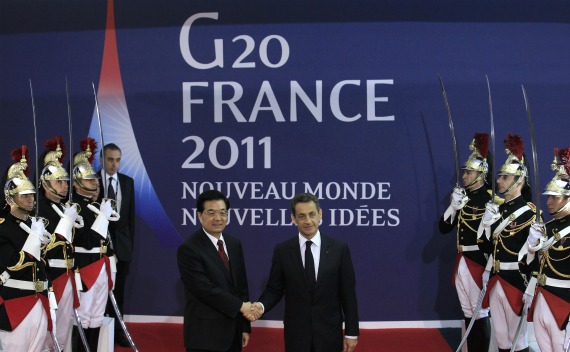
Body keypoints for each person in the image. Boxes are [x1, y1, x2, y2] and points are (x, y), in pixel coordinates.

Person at [253, 192, 359, 352]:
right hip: (296, 335)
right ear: (293, 219)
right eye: (301, 216)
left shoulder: (339, 249)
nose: (308, 221)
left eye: (312, 214)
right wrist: (260, 306)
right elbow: (274, 289)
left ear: (320, 214)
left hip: (329, 334)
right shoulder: (283, 250)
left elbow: (348, 294)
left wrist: (351, 333)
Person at [479, 133, 537, 352]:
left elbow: (535, 259)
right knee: (502, 340)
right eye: (500, 176)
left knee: (518, 342)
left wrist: (531, 286)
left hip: (517, 282)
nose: (498, 180)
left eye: (504, 177)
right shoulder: (498, 209)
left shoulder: (530, 214)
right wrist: (485, 224)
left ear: (519, 181)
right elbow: (486, 247)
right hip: (496, 279)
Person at [177, 190, 253, 352]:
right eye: (211, 213)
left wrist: (244, 326)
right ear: (199, 215)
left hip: (233, 333)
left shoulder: (234, 244)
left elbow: (241, 287)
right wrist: (241, 306)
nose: (218, 218)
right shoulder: (189, 249)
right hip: (204, 337)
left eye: (222, 213)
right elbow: (204, 289)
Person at [439, 133, 494, 351]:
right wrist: (453, 206)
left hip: (478, 260)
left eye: (469, 172)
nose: (464, 176)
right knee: (467, 311)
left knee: (479, 312)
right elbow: (443, 228)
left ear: (481, 174)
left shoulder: (489, 199)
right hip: (462, 259)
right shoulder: (463, 197)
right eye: (464, 172)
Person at [0, 146, 52, 352]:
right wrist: (34, 239)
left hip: (39, 299)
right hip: (15, 303)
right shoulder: (3, 228)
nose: (31, 200)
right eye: (25, 196)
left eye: (32, 195)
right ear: (10, 198)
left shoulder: (34, 224)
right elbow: (13, 264)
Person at [72, 138, 117, 352]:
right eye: (90, 181)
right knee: (82, 316)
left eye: (95, 180)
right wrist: (102, 217)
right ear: (77, 182)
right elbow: (88, 241)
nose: (95, 183)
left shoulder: (96, 206)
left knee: (97, 317)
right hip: (85, 267)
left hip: (101, 266)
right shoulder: (75, 207)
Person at [523, 148, 570, 352]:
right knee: (544, 347)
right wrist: (531, 246)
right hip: (542, 296)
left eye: (555, 197)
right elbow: (525, 265)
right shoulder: (546, 227)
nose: (549, 201)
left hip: (564, 301)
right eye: (548, 196)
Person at [38, 136, 82, 351]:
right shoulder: (39, 211)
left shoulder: (66, 207)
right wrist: (66, 222)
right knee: (49, 329)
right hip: (49, 276)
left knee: (64, 329)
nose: (65, 186)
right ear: (45, 183)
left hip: (67, 274)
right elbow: (46, 245)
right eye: (59, 182)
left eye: (65, 182)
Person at [99, 143, 135, 347]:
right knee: (97, 291)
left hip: (122, 248)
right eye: (110, 159)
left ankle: (117, 331)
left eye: (118, 160)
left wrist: (129, 247)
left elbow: (130, 219)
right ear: (102, 160)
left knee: (118, 290)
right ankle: (96, 330)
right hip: (98, 245)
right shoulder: (92, 181)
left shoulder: (128, 182)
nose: (114, 164)